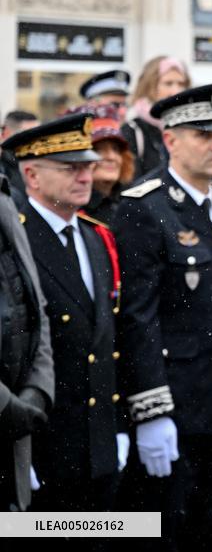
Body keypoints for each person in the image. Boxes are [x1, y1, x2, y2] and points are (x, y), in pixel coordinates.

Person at [112, 84, 212, 551]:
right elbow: (138, 318)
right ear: (170, 139)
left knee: (209, 531)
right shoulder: (144, 207)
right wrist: (151, 411)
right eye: (203, 135)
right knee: (165, 534)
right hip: (175, 403)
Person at [7, 113, 127, 517]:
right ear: (32, 175)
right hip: (45, 440)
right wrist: (19, 452)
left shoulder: (96, 237)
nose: (85, 176)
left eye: (87, 166)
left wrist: (118, 427)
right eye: (69, 167)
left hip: (98, 443)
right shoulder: (16, 240)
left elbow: (108, 340)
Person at [0, 152, 54, 513]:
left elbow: (36, 309)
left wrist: (37, 391)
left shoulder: (4, 198)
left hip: (13, 433)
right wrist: (6, 406)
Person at [63, 103, 135, 225]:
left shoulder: (133, 202)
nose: (111, 157)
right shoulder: (69, 211)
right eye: (97, 150)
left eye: (116, 149)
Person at [123, 56, 191, 178]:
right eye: (168, 83)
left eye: (181, 84)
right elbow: (129, 183)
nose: (176, 91)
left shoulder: (189, 128)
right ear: (150, 86)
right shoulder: (134, 130)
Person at [1, 110, 40, 198]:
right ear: (6, 133)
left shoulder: (40, 160)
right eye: (28, 134)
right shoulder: (4, 167)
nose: (36, 140)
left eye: (38, 133)